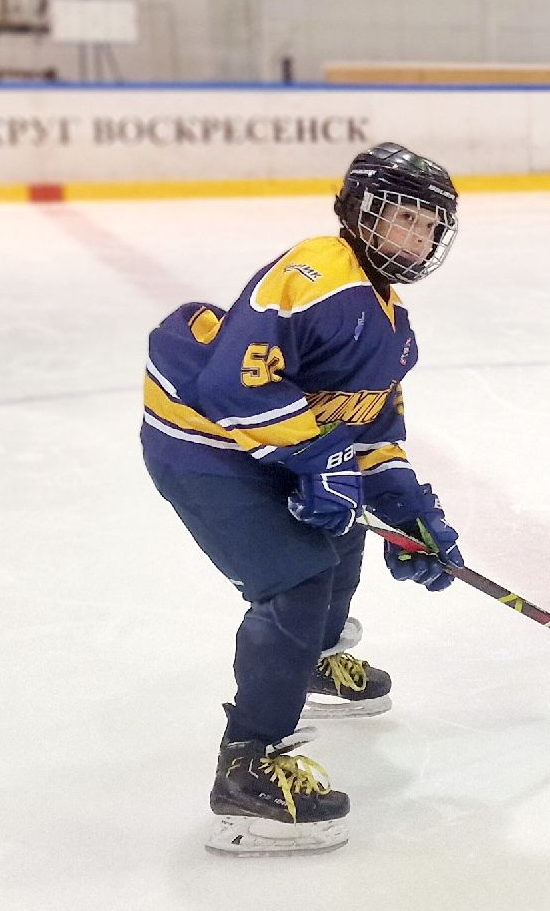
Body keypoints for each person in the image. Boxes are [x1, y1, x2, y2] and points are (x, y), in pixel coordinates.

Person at [141, 142, 465, 855]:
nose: (415, 238)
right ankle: (247, 767)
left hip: (269, 447)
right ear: (359, 212)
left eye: (428, 226)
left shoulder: (393, 327)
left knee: (345, 531)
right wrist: (321, 459)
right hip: (204, 449)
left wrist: (410, 511)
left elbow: (371, 431)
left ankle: (308, 662)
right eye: (402, 218)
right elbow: (233, 385)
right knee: (296, 580)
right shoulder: (320, 272)